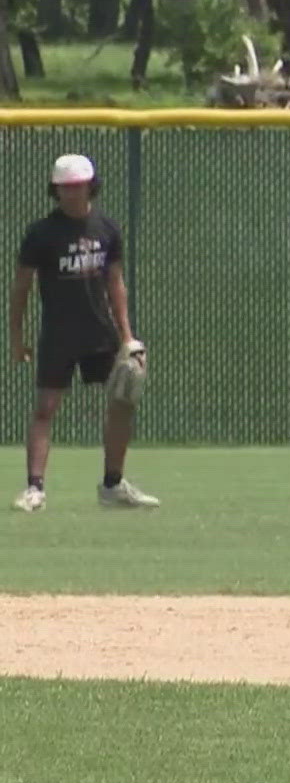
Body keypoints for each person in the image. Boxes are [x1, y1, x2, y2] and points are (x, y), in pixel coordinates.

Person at [10, 153, 158, 513]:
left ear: (91, 185)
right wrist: (16, 338)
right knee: (45, 408)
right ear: (55, 190)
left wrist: (128, 337)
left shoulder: (106, 228)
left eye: (78, 186)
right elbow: (21, 288)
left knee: (123, 398)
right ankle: (35, 489)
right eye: (65, 187)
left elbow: (115, 283)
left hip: (100, 333)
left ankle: (112, 484)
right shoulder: (41, 233)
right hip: (59, 334)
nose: (72, 193)